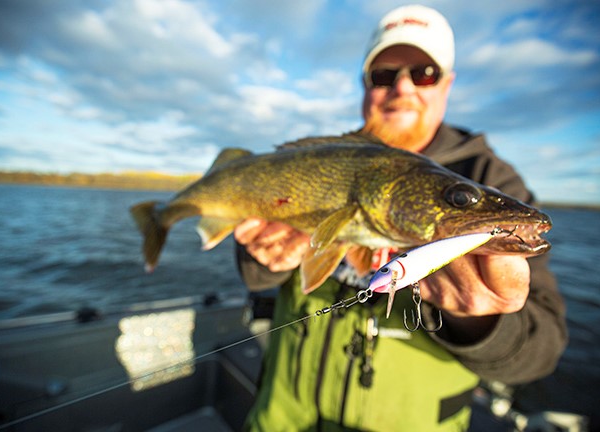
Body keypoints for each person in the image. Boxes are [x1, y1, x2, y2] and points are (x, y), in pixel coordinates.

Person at [235, 5, 567, 431]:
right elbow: (255, 276)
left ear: (446, 85)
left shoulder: (492, 180)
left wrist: (481, 320)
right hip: (281, 414)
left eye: (424, 73)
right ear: (365, 86)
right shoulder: (323, 160)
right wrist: (260, 260)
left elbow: (542, 350)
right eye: (384, 75)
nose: (403, 88)